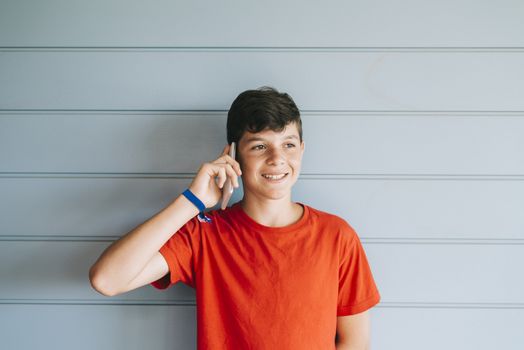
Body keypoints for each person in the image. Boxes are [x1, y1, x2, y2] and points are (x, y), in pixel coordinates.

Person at [89, 86, 381, 349]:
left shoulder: (337, 235)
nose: (277, 158)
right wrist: (194, 201)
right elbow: (107, 279)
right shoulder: (204, 234)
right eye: (259, 146)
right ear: (233, 155)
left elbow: (355, 341)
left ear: (301, 150)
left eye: (288, 144)